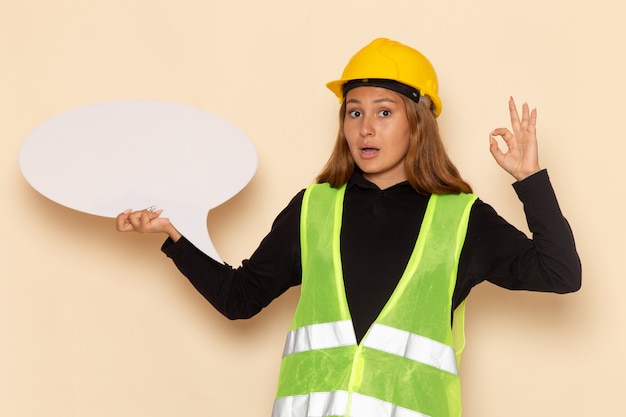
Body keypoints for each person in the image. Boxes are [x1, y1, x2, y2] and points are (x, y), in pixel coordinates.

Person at [116, 38, 581, 417]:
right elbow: (239, 299)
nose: (365, 129)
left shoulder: (462, 218)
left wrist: (530, 182)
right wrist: (174, 235)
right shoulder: (313, 208)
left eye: (384, 111)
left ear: (417, 122)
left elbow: (562, 274)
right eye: (354, 112)